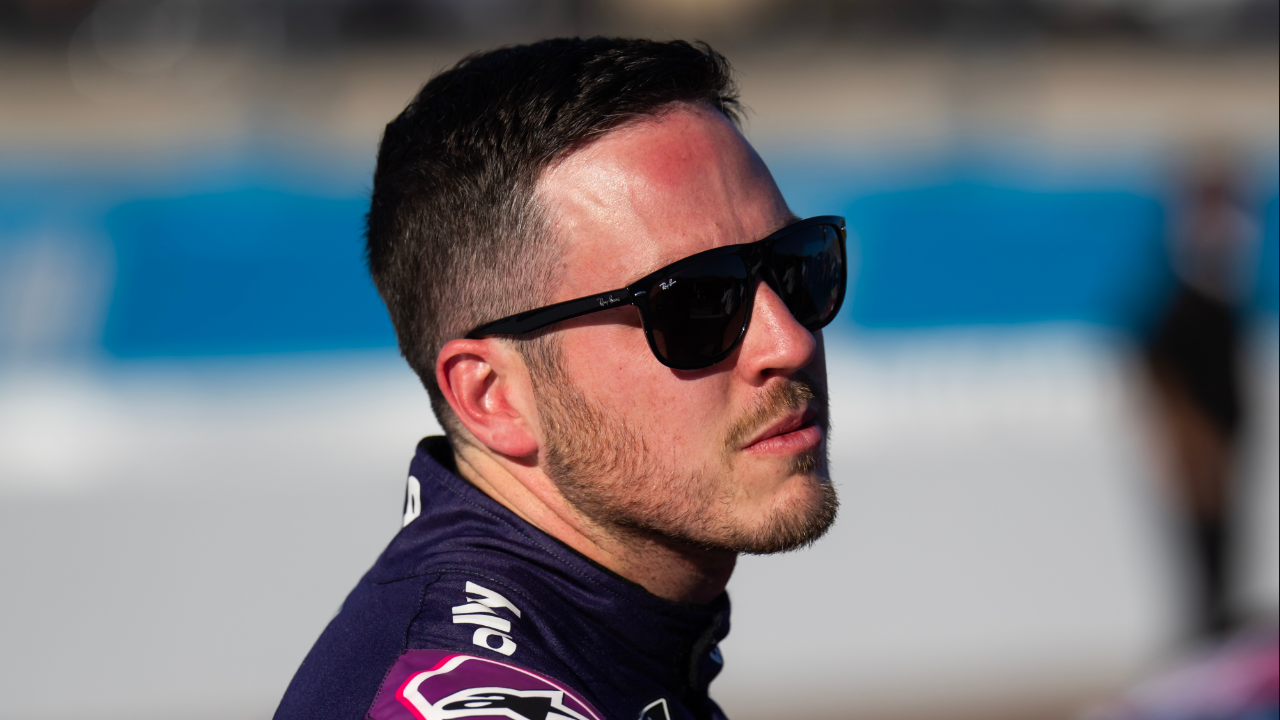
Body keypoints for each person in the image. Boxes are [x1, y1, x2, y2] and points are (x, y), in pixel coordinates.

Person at [274, 37, 848, 720]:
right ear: (493, 397)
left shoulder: (612, 641)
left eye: (794, 266)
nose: (787, 341)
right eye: (696, 303)